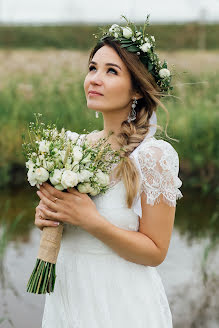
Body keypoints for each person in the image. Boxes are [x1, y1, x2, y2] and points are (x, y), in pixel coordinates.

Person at [35, 15, 183, 328]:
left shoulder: (153, 157)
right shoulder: (74, 147)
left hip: (118, 302)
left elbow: (156, 252)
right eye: (92, 68)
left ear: (137, 90)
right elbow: (68, 223)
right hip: (68, 294)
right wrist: (48, 217)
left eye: (111, 71)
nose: (94, 79)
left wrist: (89, 220)